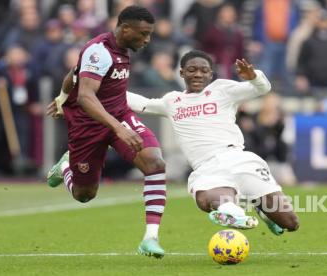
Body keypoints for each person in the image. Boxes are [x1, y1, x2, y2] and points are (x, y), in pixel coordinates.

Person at [128, 50, 299, 235]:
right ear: (182, 73)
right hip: (207, 167)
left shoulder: (222, 89)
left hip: (239, 160)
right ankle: (233, 213)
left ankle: (257, 207)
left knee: (290, 223)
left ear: (211, 73)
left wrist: (253, 76)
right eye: (192, 69)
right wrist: (109, 86)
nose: (198, 74)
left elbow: (262, 88)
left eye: (204, 70)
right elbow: (142, 103)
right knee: (205, 200)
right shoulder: (172, 101)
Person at [45, 6, 166, 258]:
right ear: (125, 29)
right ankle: (65, 167)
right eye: (143, 34)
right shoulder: (99, 52)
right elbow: (87, 98)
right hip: (88, 125)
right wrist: (117, 128)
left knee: (154, 162)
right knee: (84, 194)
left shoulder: (123, 49)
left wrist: (61, 96)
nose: (147, 40)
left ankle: (150, 238)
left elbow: (73, 75)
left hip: (120, 115)